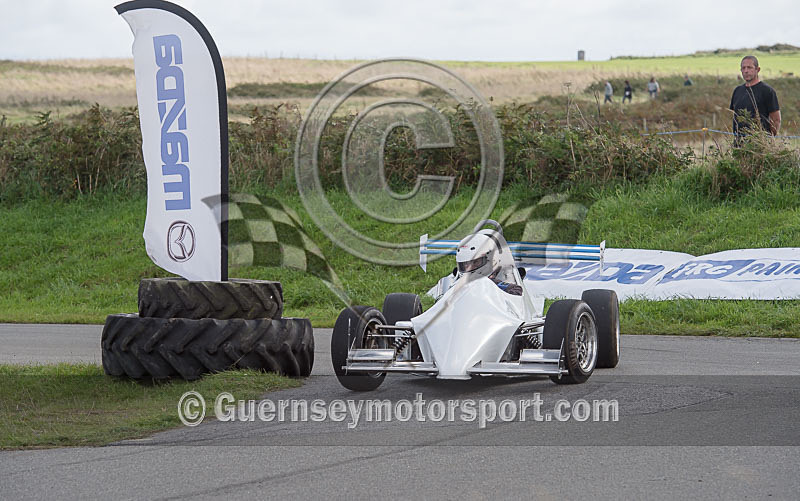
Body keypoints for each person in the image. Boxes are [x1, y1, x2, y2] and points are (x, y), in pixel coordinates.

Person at [729, 55, 781, 137]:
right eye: (743, 68)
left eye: (749, 67)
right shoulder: (737, 91)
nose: (746, 71)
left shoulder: (767, 91)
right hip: (738, 144)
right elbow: (735, 117)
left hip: (759, 143)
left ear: (758, 69)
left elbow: (776, 120)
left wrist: (768, 141)